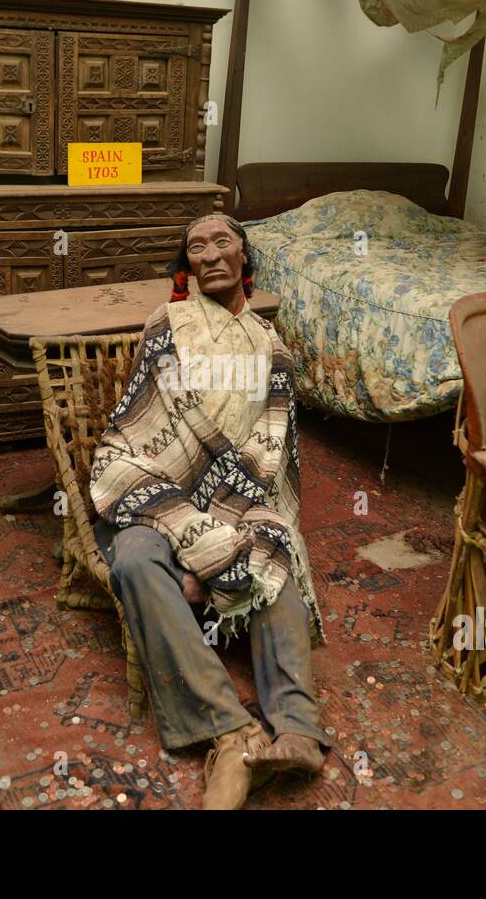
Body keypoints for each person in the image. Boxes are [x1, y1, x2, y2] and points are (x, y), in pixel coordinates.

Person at [89, 213, 328, 809]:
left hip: (238, 497)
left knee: (275, 550)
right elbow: (136, 431)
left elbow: (272, 450)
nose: (210, 254)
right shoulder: (164, 328)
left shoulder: (273, 350)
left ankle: (297, 728)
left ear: (245, 256)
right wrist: (192, 532)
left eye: (223, 242)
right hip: (153, 489)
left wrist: (224, 533)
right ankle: (228, 733)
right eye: (196, 247)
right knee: (138, 564)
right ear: (186, 264)